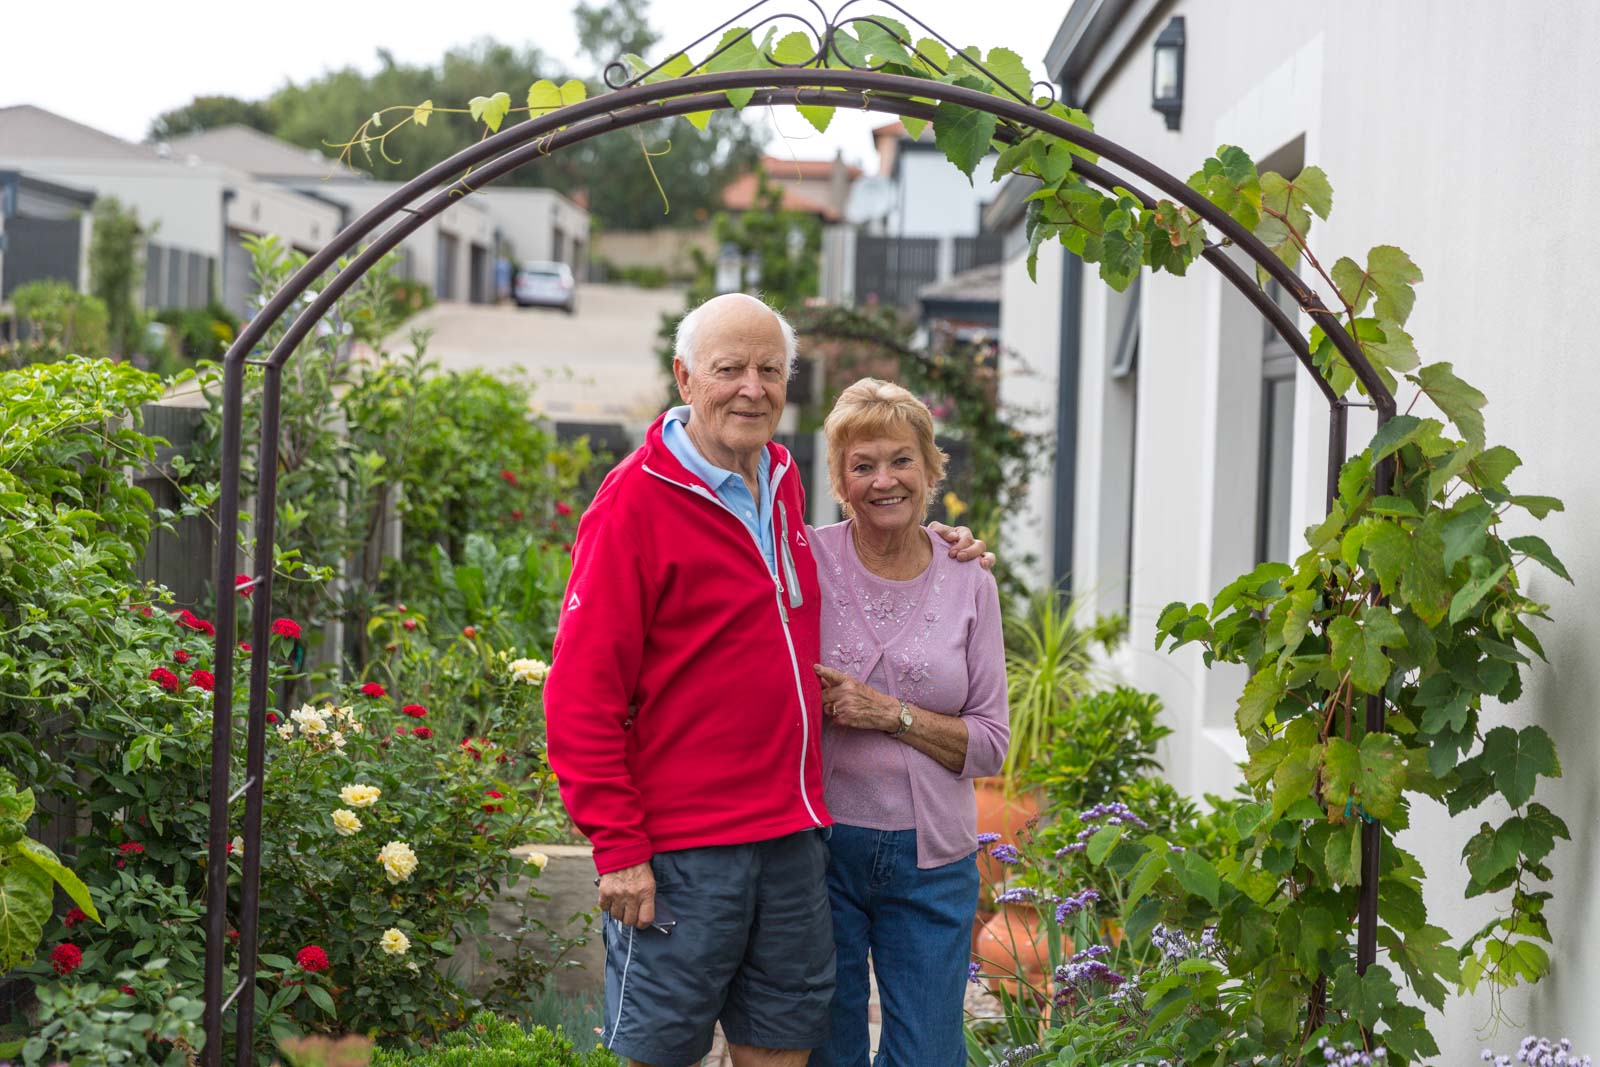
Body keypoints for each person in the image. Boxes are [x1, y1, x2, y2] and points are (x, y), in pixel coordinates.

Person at [543, 294, 987, 1067]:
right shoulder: (635, 501)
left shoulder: (779, 481)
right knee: (658, 1053)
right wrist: (617, 846)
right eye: (728, 369)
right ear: (685, 377)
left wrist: (939, 541)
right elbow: (580, 692)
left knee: (782, 1049)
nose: (751, 387)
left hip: (791, 840)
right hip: (688, 848)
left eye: (769, 369)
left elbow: (874, 552)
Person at [807, 378, 1010, 1067]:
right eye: (862, 465)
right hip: (819, 851)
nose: (883, 480)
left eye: (900, 460)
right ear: (839, 478)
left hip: (933, 860)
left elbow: (990, 744)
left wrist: (888, 713)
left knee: (926, 1053)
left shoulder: (968, 578)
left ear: (930, 468)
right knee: (826, 1051)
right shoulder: (804, 560)